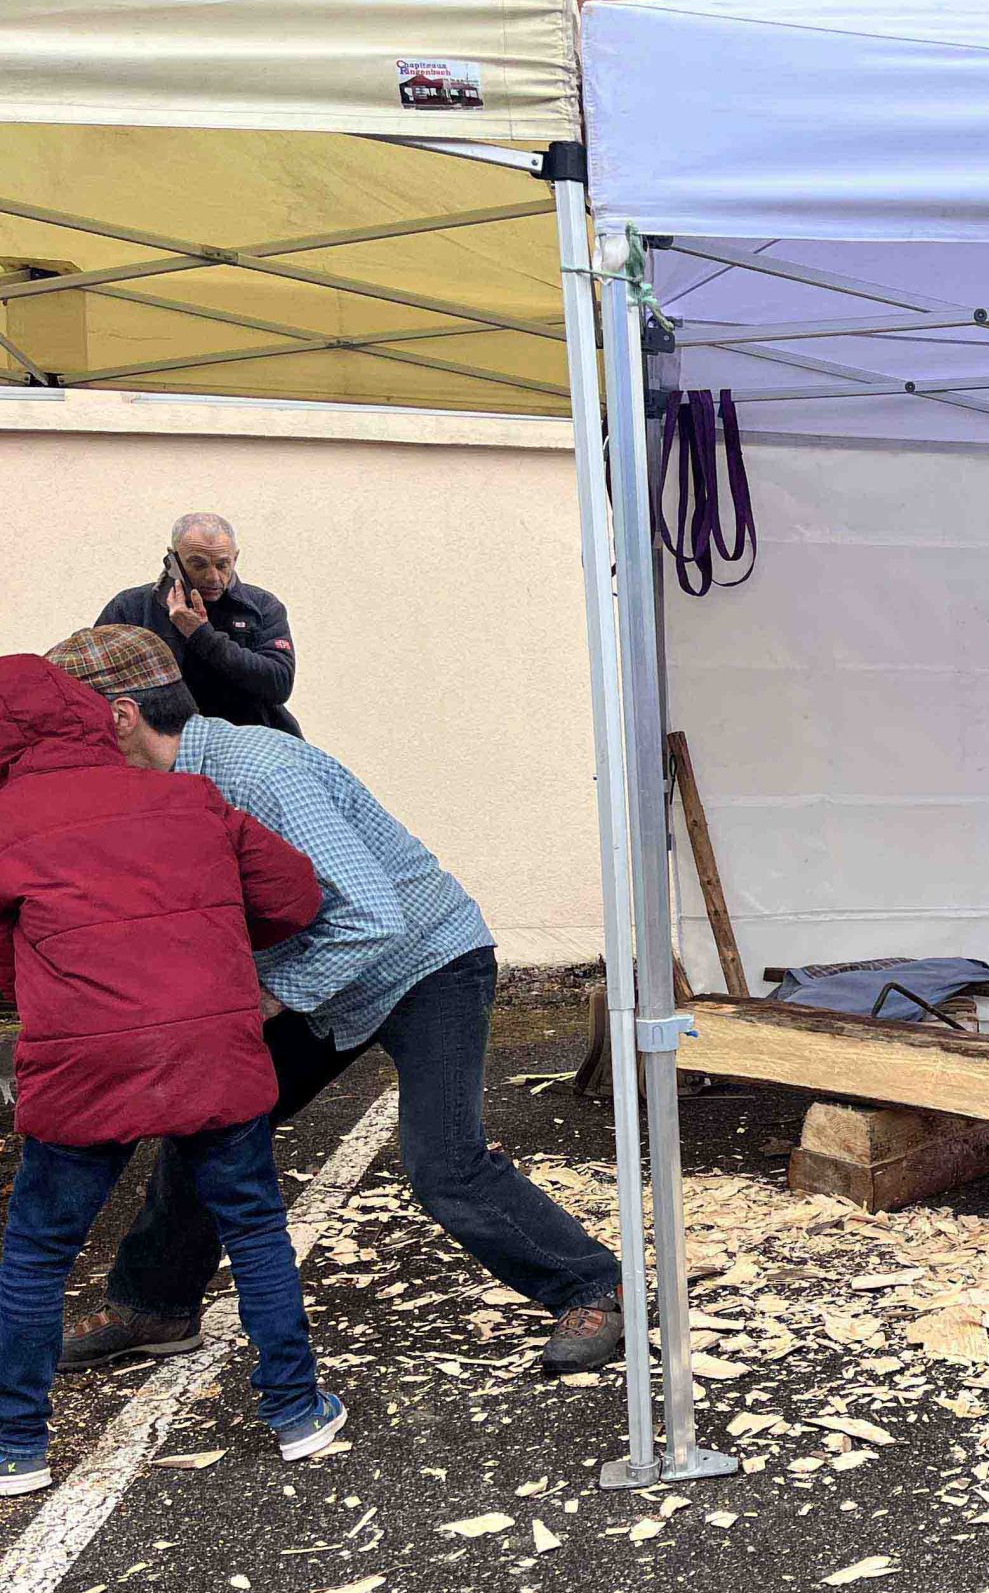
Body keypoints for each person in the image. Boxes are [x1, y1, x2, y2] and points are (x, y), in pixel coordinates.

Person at [41, 626, 626, 1379]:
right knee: (210, 1122)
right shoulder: (160, 788)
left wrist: (269, 997)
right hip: (325, 974)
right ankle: (153, 1306)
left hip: (424, 964)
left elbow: (373, 918)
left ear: (121, 716)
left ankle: (593, 1286)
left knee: (444, 1164)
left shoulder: (259, 773)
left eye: (63, 722)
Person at [0, 654, 338, 1497]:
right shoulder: (189, 797)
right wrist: (205, 942)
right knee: (254, 1229)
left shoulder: (6, 822)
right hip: (210, 1047)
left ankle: (16, 1447)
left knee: (38, 1253)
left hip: (83, 1055)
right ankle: (297, 1412)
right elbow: (295, 896)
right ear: (91, 717)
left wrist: (41, 978)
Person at [95, 512, 300, 734]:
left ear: (235, 558)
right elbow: (92, 682)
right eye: (198, 564)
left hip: (250, 737)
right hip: (163, 743)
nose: (213, 577)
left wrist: (201, 634)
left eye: (222, 565)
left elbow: (279, 684)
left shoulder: (262, 606)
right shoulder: (131, 607)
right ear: (174, 559)